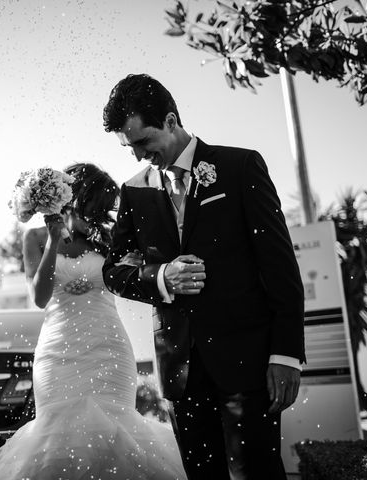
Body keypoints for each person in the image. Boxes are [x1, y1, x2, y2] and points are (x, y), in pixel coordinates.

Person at [101, 74, 305, 480]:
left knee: (258, 473)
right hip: (182, 371)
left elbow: (280, 266)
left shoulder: (239, 166)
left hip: (247, 363)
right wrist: (161, 277)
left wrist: (285, 354)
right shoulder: (134, 190)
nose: (139, 156)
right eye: (129, 148)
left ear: (172, 120)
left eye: (143, 142)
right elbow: (114, 271)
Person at [0, 163, 187, 479]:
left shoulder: (106, 238)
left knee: (118, 435)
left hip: (110, 349)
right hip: (58, 353)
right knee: (57, 440)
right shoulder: (36, 237)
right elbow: (39, 298)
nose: (103, 213)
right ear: (77, 198)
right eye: (98, 205)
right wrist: (54, 241)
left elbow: (132, 277)